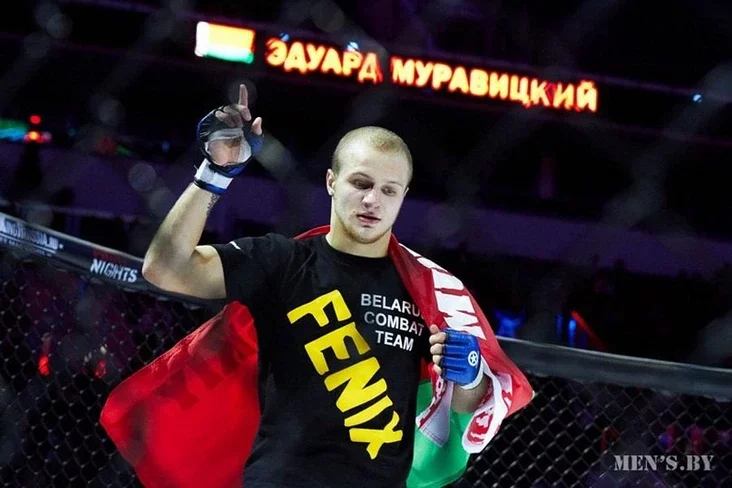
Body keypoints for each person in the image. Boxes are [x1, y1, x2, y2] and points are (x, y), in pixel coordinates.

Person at [140, 85, 499, 488]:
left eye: (388, 190)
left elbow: (460, 410)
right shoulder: (282, 261)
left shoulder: (425, 289)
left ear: (403, 197)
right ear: (331, 181)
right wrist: (215, 173)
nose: (372, 200)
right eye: (360, 183)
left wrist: (471, 378)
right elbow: (165, 268)